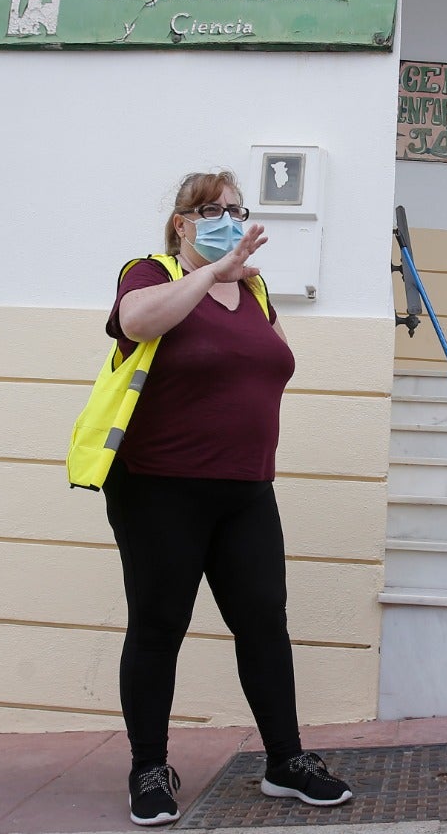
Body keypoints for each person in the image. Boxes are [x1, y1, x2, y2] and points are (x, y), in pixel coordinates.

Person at [100, 171, 352, 825]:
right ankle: (148, 768)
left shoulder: (257, 288)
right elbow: (135, 323)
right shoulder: (149, 273)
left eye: (237, 209)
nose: (227, 218)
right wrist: (211, 276)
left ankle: (286, 760)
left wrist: (237, 281)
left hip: (245, 487)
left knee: (265, 620)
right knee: (159, 624)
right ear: (181, 223)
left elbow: (272, 360)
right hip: (158, 485)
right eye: (211, 208)